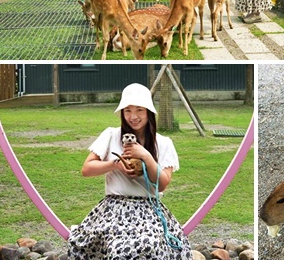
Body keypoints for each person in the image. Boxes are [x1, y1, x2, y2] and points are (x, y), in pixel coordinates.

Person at [68, 83, 191, 260]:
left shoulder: (163, 143)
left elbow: (163, 184)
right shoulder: (111, 135)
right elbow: (87, 169)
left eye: (139, 110)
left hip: (148, 209)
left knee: (150, 245)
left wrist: (146, 157)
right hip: (113, 209)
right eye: (128, 111)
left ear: (148, 111)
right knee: (115, 247)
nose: (133, 116)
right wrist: (116, 164)